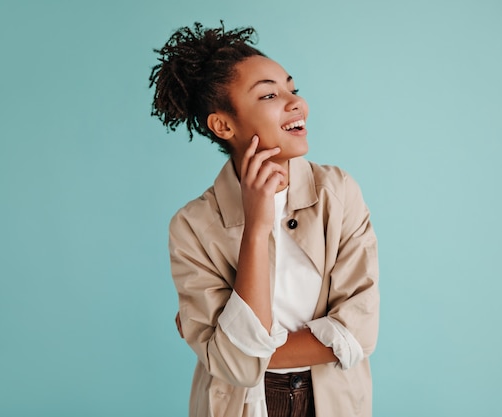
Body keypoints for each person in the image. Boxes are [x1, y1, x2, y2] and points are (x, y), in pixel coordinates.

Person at [149, 22, 379, 417]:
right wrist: (255, 227)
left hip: (332, 399)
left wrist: (228, 347)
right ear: (223, 125)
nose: (295, 103)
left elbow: (360, 331)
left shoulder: (337, 193)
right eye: (270, 94)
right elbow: (236, 369)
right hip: (241, 405)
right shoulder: (191, 226)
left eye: (293, 88)